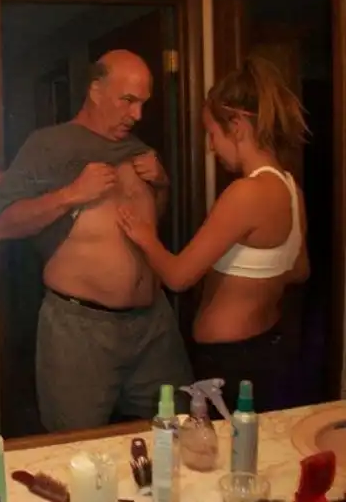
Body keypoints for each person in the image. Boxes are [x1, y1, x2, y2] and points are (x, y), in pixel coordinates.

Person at [0, 50, 193, 432]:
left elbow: (150, 221)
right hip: (81, 329)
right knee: (76, 443)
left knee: (178, 431)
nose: (137, 115)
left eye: (143, 103)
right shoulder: (48, 146)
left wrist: (162, 183)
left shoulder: (137, 149)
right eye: (127, 100)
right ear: (95, 90)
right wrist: (71, 195)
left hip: (154, 324)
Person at [117, 56, 309, 413]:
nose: (210, 146)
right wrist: (249, 276)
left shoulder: (246, 193)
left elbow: (178, 277)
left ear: (237, 126)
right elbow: (298, 269)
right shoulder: (290, 189)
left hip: (231, 363)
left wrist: (144, 236)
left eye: (212, 134)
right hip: (268, 347)